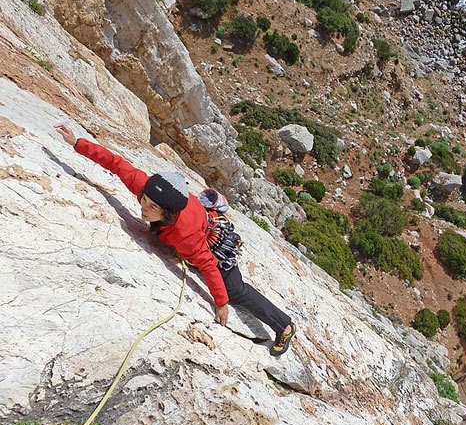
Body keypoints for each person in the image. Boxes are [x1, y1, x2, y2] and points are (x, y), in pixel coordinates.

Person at [55, 124, 296, 356]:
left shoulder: (186, 235)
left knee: (235, 290)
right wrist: (77, 142)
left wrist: (221, 302)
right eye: (144, 201)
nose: (143, 209)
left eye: (152, 207)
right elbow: (117, 164)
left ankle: (284, 326)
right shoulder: (148, 190)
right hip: (198, 220)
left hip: (213, 238)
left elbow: (208, 265)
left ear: (167, 214)